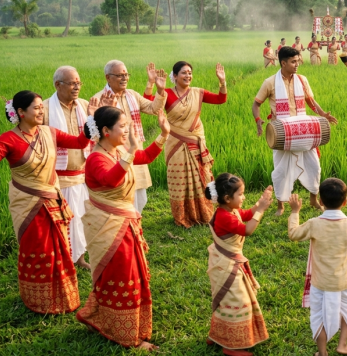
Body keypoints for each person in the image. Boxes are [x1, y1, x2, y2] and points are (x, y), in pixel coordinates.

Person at [0, 90, 96, 314]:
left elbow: (80, 142)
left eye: (42, 107)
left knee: (59, 249)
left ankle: (64, 296)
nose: (41, 111)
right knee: (38, 251)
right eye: (36, 108)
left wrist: (91, 118)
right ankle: (38, 300)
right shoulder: (9, 139)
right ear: (21, 112)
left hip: (52, 201)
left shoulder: (49, 132)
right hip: (28, 205)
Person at [75, 105, 169, 350]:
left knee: (130, 275)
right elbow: (109, 179)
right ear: (106, 131)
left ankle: (101, 317)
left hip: (123, 223)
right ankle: (124, 334)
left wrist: (164, 134)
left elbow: (145, 157)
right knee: (121, 276)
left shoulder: (116, 152)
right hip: (109, 227)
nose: (128, 131)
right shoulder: (97, 158)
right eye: (123, 127)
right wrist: (130, 152)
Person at [287, 179, 347, 356]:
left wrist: (295, 212)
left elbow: (293, 234)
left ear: (320, 199)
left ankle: (322, 354)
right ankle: (342, 344)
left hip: (320, 282)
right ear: (345, 202)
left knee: (318, 315)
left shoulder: (313, 223)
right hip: (345, 281)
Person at [253, 46, 338, 215]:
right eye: (293, 62)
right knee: (281, 170)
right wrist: (258, 120)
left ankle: (313, 200)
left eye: (298, 60)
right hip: (282, 133)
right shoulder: (270, 82)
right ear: (283, 63)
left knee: (314, 166)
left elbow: (310, 101)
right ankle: (281, 205)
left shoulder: (302, 80)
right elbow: (256, 104)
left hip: (304, 131)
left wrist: (322, 114)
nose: (297, 64)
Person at [44, 66, 112, 270]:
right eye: (72, 83)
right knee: (63, 220)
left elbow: (100, 136)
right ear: (58, 85)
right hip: (58, 177)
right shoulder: (46, 109)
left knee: (82, 219)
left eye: (78, 82)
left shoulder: (84, 105)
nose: (77, 87)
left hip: (83, 174)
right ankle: (63, 259)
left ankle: (80, 258)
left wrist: (103, 113)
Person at [151, 61, 228, 228]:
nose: (188, 76)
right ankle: (182, 215)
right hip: (176, 144)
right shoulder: (167, 94)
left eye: (190, 73)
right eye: (184, 73)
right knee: (179, 180)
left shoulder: (198, 92)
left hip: (196, 142)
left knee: (202, 179)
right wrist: (155, 87)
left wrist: (222, 82)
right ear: (175, 76)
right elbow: (151, 105)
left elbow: (220, 99)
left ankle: (203, 213)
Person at [205, 173, 273, 356]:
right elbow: (247, 229)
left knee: (226, 301)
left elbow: (247, 214)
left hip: (228, 263)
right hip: (226, 265)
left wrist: (261, 202)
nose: (243, 198)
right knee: (237, 301)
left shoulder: (230, 210)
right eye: (241, 194)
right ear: (227, 198)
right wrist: (262, 210)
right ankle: (230, 346)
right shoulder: (224, 217)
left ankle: (216, 335)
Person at [95, 60, 167, 214]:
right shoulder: (99, 99)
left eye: (126, 74)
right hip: (115, 155)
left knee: (140, 198)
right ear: (108, 77)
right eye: (120, 75)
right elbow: (98, 132)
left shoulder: (132, 95)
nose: (125, 78)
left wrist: (160, 90)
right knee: (121, 195)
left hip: (136, 151)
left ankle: (134, 228)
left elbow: (153, 108)